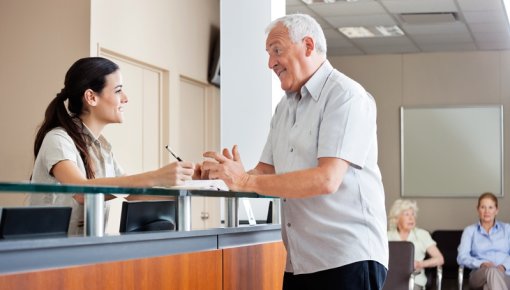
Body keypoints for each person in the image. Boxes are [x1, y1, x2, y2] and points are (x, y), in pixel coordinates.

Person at [201, 14, 388, 290]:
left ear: (308, 46)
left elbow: (327, 179)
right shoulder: (284, 108)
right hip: (301, 262)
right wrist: (224, 175)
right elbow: (265, 172)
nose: (270, 63)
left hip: (347, 259)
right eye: (268, 54)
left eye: (277, 51)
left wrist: (244, 180)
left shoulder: (346, 96)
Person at [29, 57, 196, 235]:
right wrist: (156, 176)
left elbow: (132, 193)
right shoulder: (58, 139)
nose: (125, 98)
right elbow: (81, 191)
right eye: (118, 91)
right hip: (48, 253)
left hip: (83, 250)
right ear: (91, 97)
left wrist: (189, 180)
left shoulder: (102, 148)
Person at [387, 199, 444, 290]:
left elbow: (439, 259)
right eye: (407, 214)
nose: (411, 218)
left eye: (413, 214)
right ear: (396, 218)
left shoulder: (422, 234)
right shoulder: (387, 236)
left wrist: (420, 264)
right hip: (390, 280)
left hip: (414, 280)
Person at [457, 192, 510, 290]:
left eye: (490, 207)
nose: (487, 211)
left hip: (506, 275)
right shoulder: (470, 231)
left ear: (496, 210)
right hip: (479, 275)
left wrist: (503, 266)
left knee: (488, 286)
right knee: (491, 271)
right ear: (478, 209)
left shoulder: (507, 229)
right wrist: (480, 264)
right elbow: (461, 257)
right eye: (483, 207)